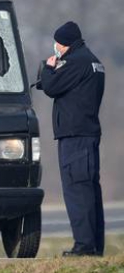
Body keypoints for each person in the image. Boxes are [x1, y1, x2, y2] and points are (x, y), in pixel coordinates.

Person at [37, 21, 105, 257]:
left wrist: (48, 68)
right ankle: (94, 244)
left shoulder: (77, 62)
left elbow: (51, 86)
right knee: (89, 190)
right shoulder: (93, 61)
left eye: (57, 43)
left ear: (64, 43)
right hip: (87, 134)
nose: (55, 47)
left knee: (77, 190)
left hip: (75, 137)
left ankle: (84, 245)